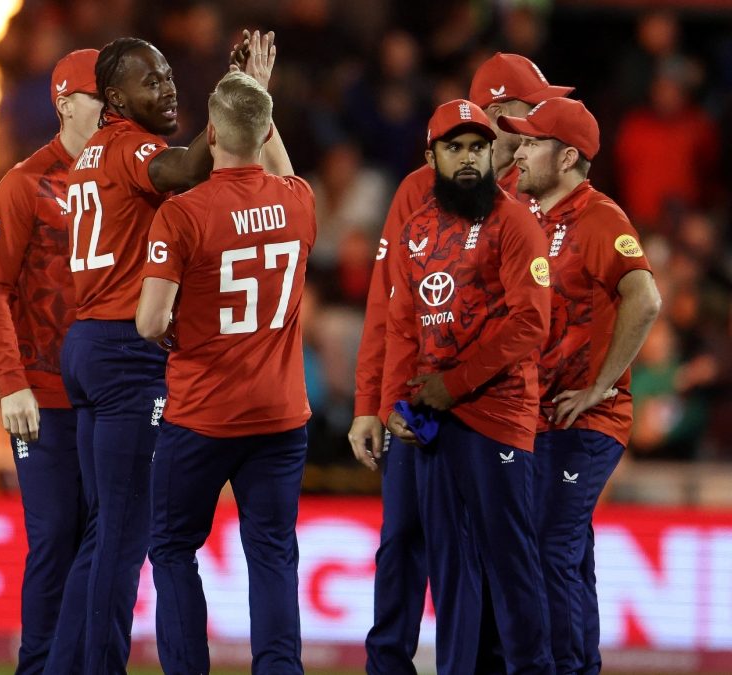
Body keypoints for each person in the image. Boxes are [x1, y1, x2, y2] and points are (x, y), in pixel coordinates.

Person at [350, 52, 571, 675]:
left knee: (504, 556)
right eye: (531, 111)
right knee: (412, 546)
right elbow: (392, 312)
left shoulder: (525, 201)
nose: (539, 123)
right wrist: (377, 403)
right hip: (423, 410)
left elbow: (534, 317)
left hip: (497, 409)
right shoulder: (417, 202)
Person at [47, 32, 256, 675]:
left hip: (86, 342)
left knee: (102, 532)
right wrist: (236, 100)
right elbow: (184, 169)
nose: (166, 88)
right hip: (123, 352)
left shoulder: (88, 156)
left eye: (168, 76)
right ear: (115, 98)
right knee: (124, 534)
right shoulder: (130, 145)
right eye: (149, 80)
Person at [137, 61, 312, 674]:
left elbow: (150, 321)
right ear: (266, 133)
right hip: (281, 415)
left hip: (203, 416)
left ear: (209, 136)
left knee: (173, 548)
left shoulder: (183, 213)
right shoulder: (299, 201)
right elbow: (281, 168)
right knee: (271, 554)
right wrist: (260, 96)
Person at [501, 97, 661, 674]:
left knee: (550, 548)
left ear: (567, 156)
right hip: (541, 418)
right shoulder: (532, 216)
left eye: (531, 143)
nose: (518, 152)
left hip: (585, 421)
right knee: (568, 553)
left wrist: (600, 386)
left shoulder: (600, 219)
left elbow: (645, 298)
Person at [0, 48, 103, 675]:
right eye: (106, 96)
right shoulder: (24, 185)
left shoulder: (129, 180)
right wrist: (9, 384)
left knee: (108, 546)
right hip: (45, 400)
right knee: (55, 542)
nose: (117, 108)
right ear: (67, 103)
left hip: (114, 400)